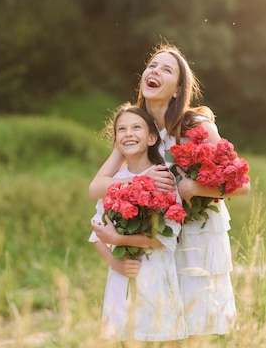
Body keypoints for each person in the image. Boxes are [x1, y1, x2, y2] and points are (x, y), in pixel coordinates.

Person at [90, 43, 250, 346]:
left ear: (178, 89)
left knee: (193, 328)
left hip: (197, 237)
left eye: (167, 69)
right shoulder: (135, 127)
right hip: (159, 239)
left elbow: (242, 185)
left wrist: (195, 187)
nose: (155, 71)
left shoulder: (197, 127)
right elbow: (97, 187)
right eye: (152, 65)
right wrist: (139, 181)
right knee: (159, 328)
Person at [89, 103, 187, 347]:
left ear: (152, 138)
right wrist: (115, 262)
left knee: (156, 338)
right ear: (116, 140)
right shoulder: (112, 183)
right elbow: (98, 233)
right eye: (121, 129)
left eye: (136, 128)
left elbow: (166, 238)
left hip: (154, 275)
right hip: (122, 275)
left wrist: (121, 240)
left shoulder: (162, 177)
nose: (128, 133)